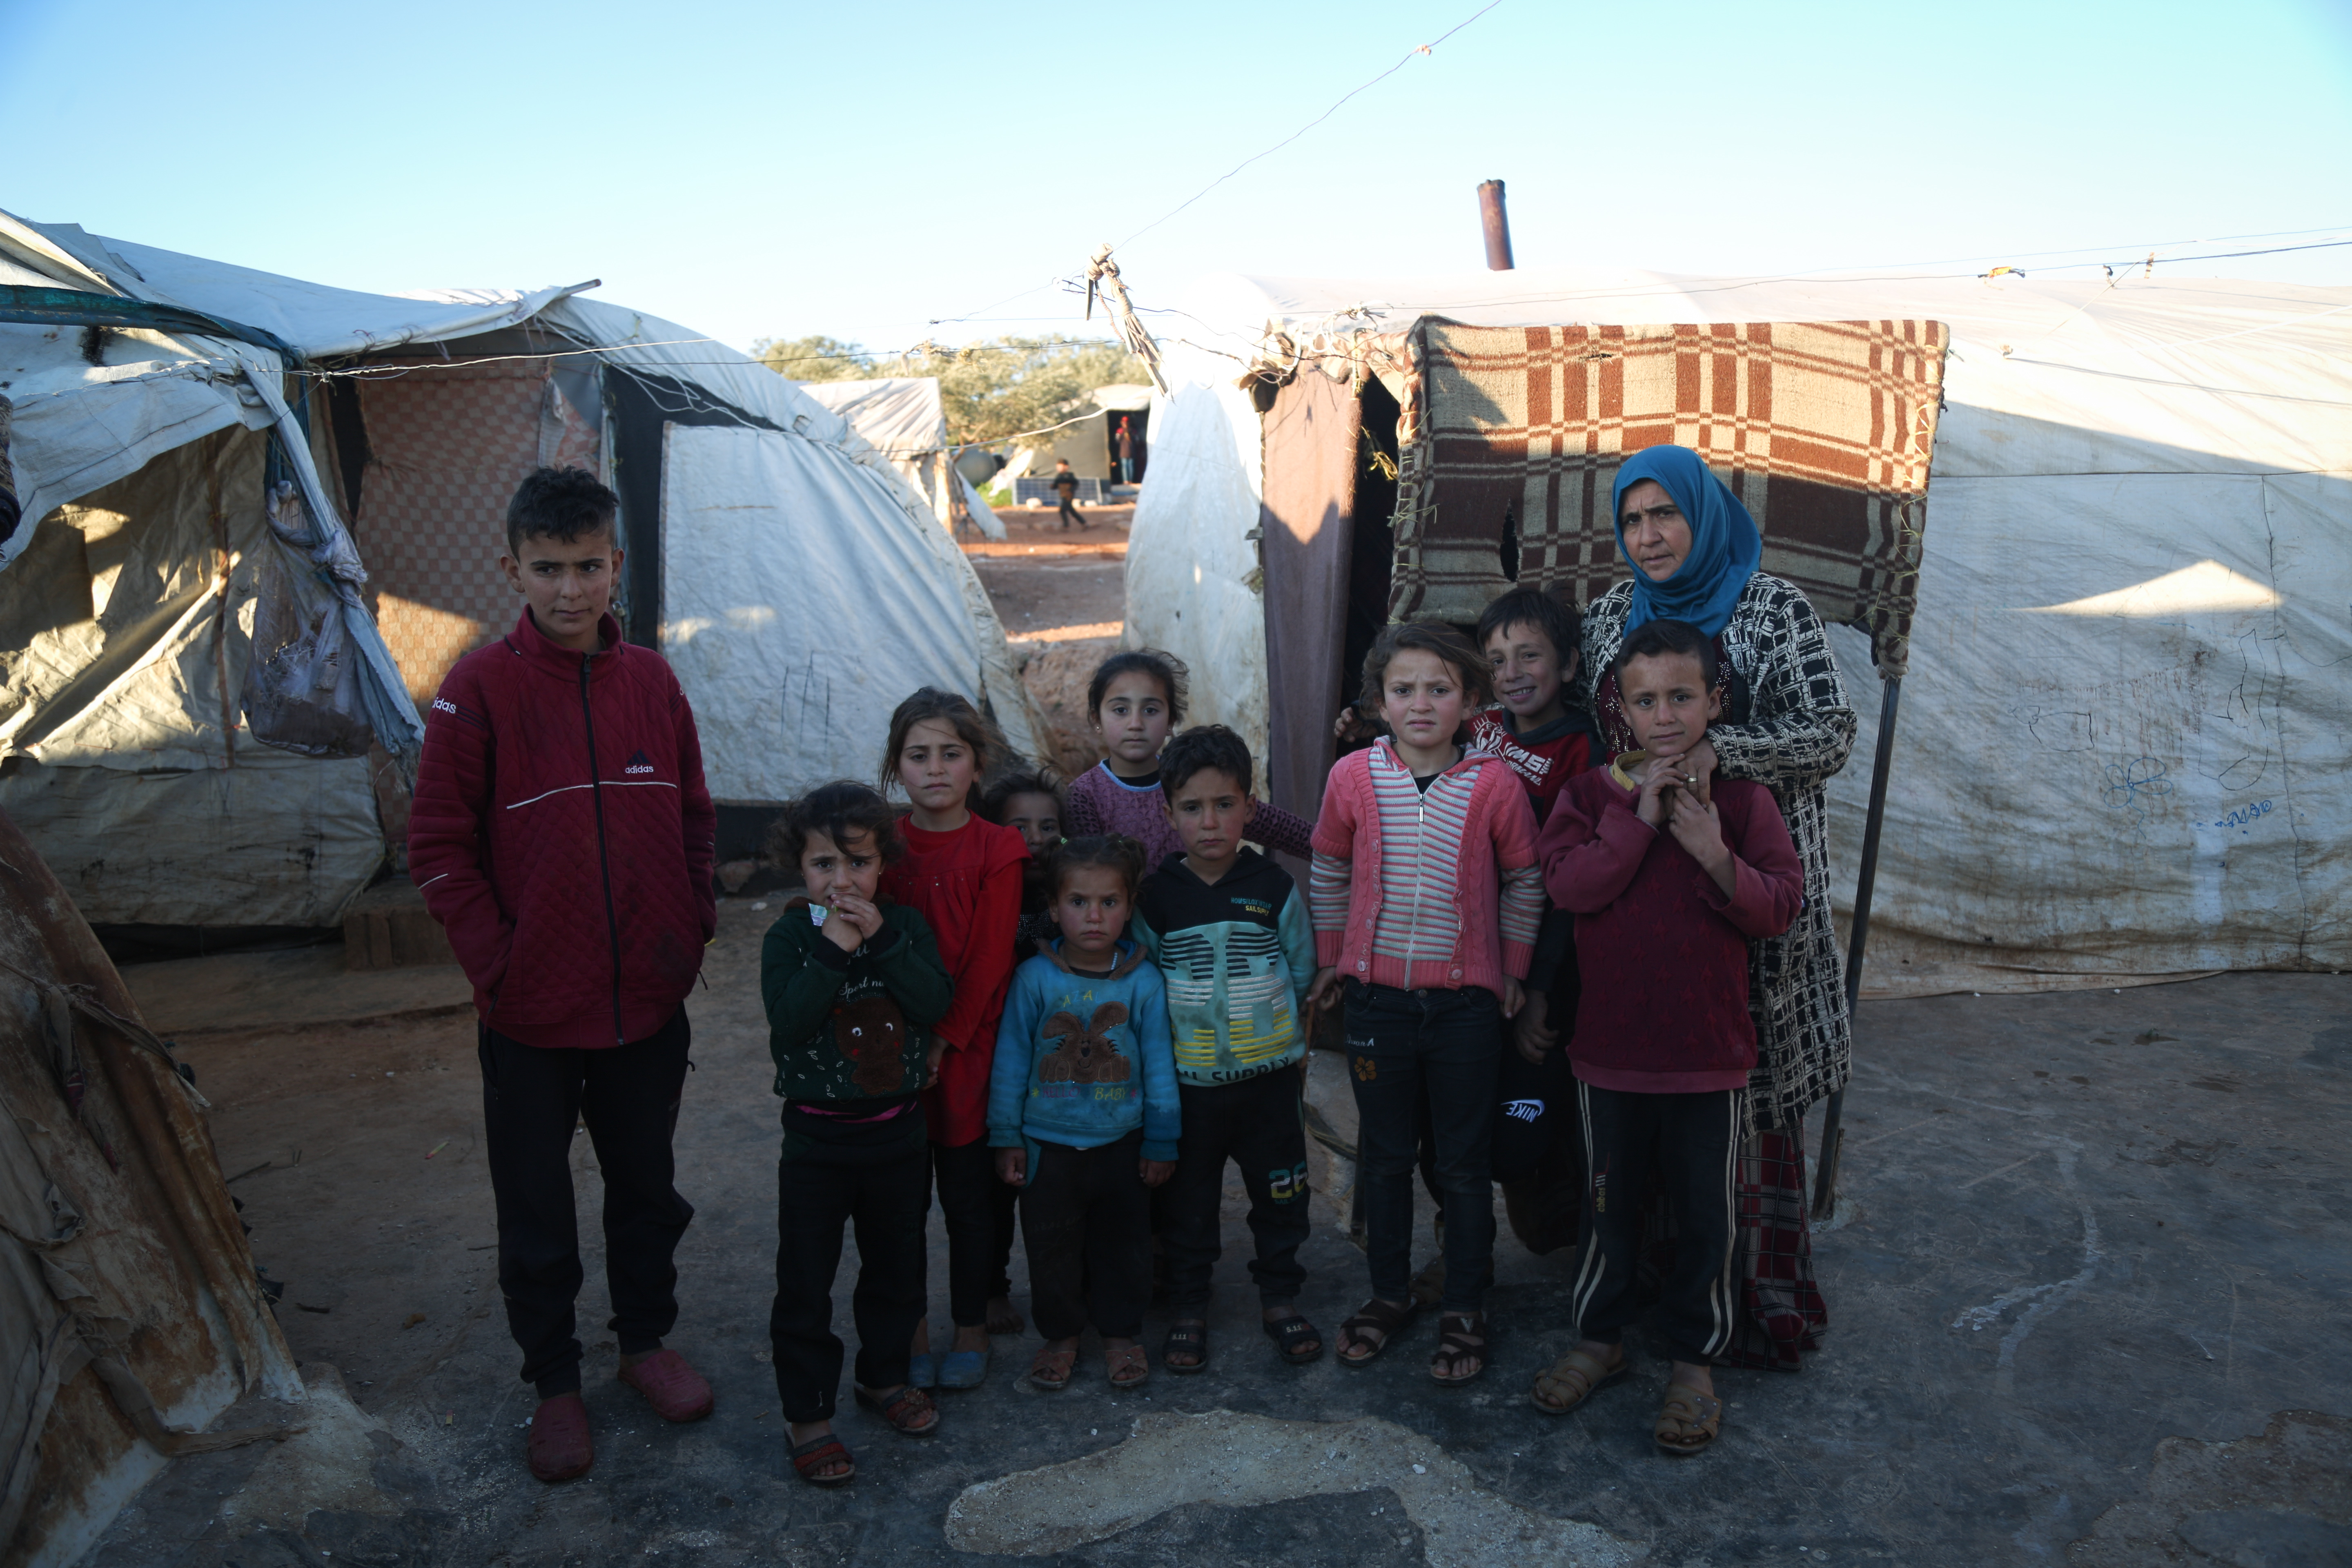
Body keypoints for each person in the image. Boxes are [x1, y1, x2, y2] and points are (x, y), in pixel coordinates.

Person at [410, 466, 716, 1484]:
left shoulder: (653, 683)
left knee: (647, 1189)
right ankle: (553, 1381)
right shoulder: (477, 690)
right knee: (536, 1206)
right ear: (513, 570)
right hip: (531, 1014)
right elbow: (438, 845)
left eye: (588, 566)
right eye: (548, 568)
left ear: (616, 564)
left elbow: (694, 818)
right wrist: (500, 963)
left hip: (648, 1005)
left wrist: (689, 924)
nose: (570, 588)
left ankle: (644, 1343)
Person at [1570, 444, 1857, 1368]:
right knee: (1645, 1102)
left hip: (1747, 885)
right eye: (1632, 519)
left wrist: (1718, 754)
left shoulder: (1771, 608)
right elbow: (1594, 740)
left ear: (1702, 513)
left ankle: (1755, 1308)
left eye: (1666, 513)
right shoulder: (1609, 615)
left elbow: (1828, 733)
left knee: (1745, 1092)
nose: (1648, 535)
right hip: (1636, 903)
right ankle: (1646, 1300)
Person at [1528, 619, 1803, 1453]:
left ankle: (1695, 1363)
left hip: (1708, 1059)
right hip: (1609, 1058)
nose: (1665, 716)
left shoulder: (1744, 805)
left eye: (1682, 697)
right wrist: (1639, 819)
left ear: (1716, 701)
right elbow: (1569, 888)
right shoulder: (1590, 799)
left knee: (1706, 1220)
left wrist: (1713, 852)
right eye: (1646, 701)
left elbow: (1778, 907)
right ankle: (1599, 1340)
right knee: (1606, 1211)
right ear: (1621, 708)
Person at [1304, 622, 1543, 1385]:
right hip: (1376, 1004)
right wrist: (1333, 957)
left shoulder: (1495, 786)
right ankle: (1388, 1293)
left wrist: (1512, 969)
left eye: (1439, 689)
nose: (1420, 704)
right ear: (1379, 703)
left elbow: (1525, 880)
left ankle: (1464, 1306)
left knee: (1463, 1164)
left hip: (1465, 1009)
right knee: (1385, 1157)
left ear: (1470, 702)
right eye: (1403, 690)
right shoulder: (1352, 778)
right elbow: (1329, 866)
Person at [760, 783, 953, 1485]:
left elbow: (934, 1001)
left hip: (897, 1140)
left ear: (883, 864)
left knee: (897, 1269)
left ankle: (885, 1377)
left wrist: (881, 942)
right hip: (817, 1148)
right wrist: (833, 950)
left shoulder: (903, 929)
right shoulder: (789, 938)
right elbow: (790, 1024)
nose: (842, 882)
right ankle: (808, 1413)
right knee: (806, 1281)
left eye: (859, 863)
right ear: (799, 867)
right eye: (823, 865)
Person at [1133, 726, 1322, 1373]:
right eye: (1192, 807)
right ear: (1169, 814)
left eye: (1224, 804)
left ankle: (1280, 1295)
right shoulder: (1157, 898)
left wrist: (1285, 1041)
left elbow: (1300, 968)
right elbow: (1146, 982)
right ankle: (1189, 1305)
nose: (1209, 822)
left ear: (1250, 807)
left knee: (1281, 1192)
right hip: (1188, 1088)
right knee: (1188, 1203)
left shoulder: (1273, 887)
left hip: (1269, 1082)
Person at [876, 690, 1030, 1386]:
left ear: (978, 764)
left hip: (967, 1054)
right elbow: (830, 910)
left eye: (951, 753)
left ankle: (970, 1326)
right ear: (895, 767)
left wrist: (942, 1042)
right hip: (889, 1054)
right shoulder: (879, 845)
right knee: (899, 1206)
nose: (935, 769)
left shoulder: (999, 848)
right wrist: (807, 918)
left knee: (970, 1203)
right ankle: (910, 1331)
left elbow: (990, 962)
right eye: (918, 755)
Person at [988, 836, 1180, 1392]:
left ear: (1130, 906)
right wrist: (1006, 1136)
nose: (1094, 917)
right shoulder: (1034, 979)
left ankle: (1121, 1333)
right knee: (1051, 1247)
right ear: (1053, 908)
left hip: (1123, 1141)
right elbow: (1011, 1061)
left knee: (1125, 1246)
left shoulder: (1145, 982)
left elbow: (1159, 1065)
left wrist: (1162, 1140)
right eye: (1078, 902)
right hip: (1047, 1144)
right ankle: (1061, 1336)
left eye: (1109, 902)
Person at [1472, 584, 1603, 1257]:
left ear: (1570, 664)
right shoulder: (1479, 727)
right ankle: (1472, 1231)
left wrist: (1541, 987)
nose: (1512, 673)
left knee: (1534, 1095)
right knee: (1469, 1096)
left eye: (1530, 655)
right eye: (1497, 660)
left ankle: (1556, 1213)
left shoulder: (1583, 750)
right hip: (1471, 949)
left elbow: (1567, 886)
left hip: (1548, 956)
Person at [1065, 649, 1314, 865]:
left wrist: (1331, 849)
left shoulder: (1193, 776)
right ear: (1097, 719)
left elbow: (1282, 830)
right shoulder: (1084, 796)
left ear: (1171, 721)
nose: (1136, 724)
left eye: (1150, 710)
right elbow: (1087, 875)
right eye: (1121, 710)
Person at [979, 768, 1065, 967]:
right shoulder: (984, 895)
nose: (1037, 839)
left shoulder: (1071, 895)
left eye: (1047, 828)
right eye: (1020, 828)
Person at [1051, 459, 1088, 530]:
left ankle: (1066, 526)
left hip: (1069, 496)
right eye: (1058, 467)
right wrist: (1053, 487)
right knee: (1071, 511)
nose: (1059, 469)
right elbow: (1056, 486)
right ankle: (1084, 523)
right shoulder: (1059, 476)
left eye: (1060, 467)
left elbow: (1076, 484)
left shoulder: (1070, 476)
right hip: (1063, 495)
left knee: (1062, 510)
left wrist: (1071, 490)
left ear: (1066, 467)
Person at [1115, 416, 1136, 484]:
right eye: (1124, 422)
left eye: (1126, 422)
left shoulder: (1133, 431)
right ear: (1122, 423)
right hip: (1123, 452)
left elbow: (1137, 440)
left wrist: (1130, 433)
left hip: (1131, 451)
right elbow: (1117, 440)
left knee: (1131, 466)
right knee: (1124, 466)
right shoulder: (1120, 431)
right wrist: (1123, 433)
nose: (1125, 424)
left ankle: (1130, 480)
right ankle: (1126, 480)